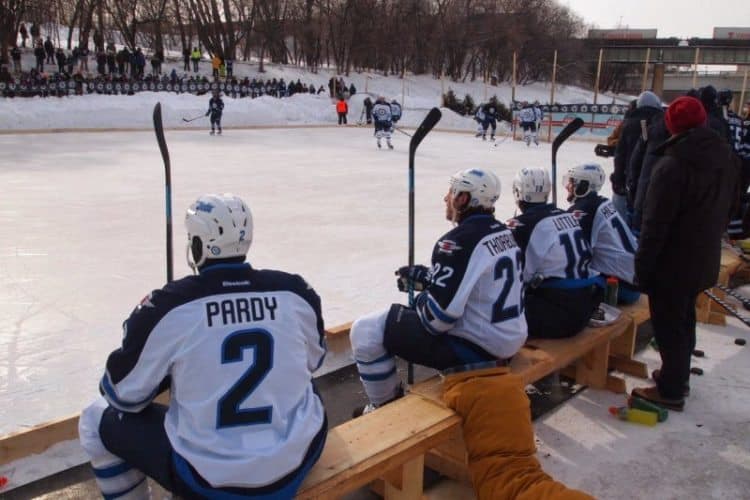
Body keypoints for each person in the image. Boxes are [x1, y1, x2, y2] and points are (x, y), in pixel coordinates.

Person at [78, 194, 327, 499]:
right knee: (302, 384)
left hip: (209, 481)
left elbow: (125, 396)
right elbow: (314, 361)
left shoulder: (169, 307)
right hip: (295, 462)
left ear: (198, 244)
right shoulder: (295, 292)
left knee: (94, 418)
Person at [350, 168, 527, 415]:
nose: (446, 197)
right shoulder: (504, 233)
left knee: (366, 330)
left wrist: (423, 296)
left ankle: (383, 407)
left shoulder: (456, 242)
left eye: (452, 191)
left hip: (480, 350)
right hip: (508, 339)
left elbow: (437, 321)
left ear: (464, 198)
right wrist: (430, 279)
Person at [632, 96, 740, 411]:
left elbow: (655, 224)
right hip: (704, 254)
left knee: (669, 324)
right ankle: (676, 375)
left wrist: (643, 265)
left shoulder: (672, 165)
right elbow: (732, 205)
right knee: (684, 317)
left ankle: (671, 388)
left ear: (672, 126)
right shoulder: (724, 157)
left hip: (673, 261)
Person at [508, 167, 601, 339]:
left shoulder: (522, 226)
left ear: (518, 191)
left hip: (559, 316)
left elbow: (517, 279)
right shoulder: (568, 216)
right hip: (587, 305)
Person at [564, 163, 640, 304]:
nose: (568, 186)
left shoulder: (584, 210)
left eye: (573, 182)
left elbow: (574, 255)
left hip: (620, 288)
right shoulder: (604, 202)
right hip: (634, 281)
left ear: (584, 186)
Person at [612, 90, 662, 226]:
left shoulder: (629, 123)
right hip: (654, 178)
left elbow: (620, 154)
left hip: (631, 177)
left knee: (626, 214)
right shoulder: (661, 124)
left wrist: (618, 178)